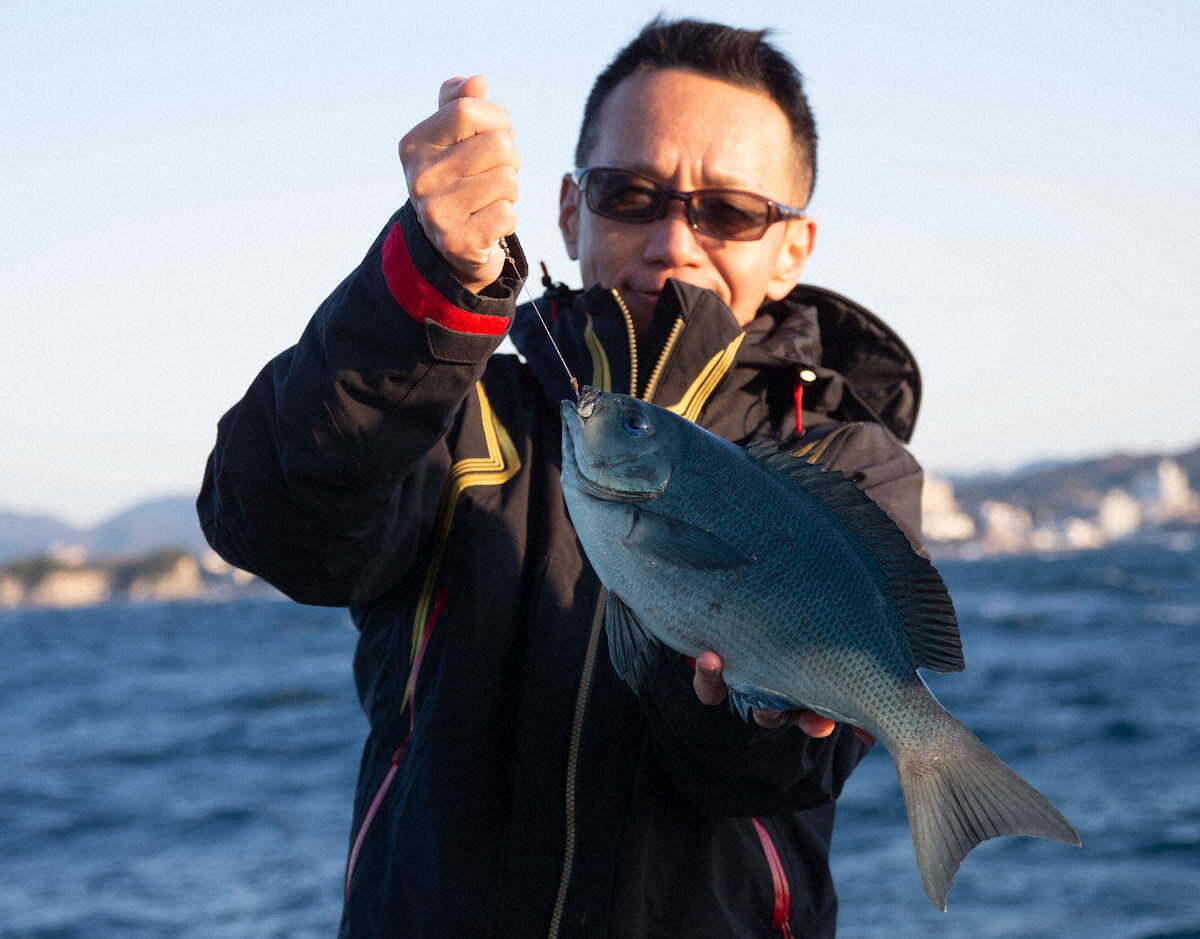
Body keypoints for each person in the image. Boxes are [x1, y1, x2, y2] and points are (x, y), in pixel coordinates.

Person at [199, 17, 926, 939]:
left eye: (732, 213)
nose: (673, 240)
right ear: (571, 210)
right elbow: (266, 520)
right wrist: (423, 289)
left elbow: (771, 774)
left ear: (793, 249)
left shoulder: (846, 462)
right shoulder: (447, 411)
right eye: (630, 194)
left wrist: (755, 710)